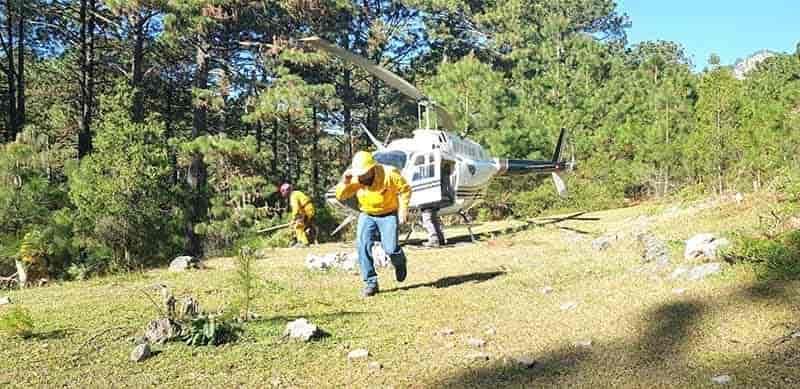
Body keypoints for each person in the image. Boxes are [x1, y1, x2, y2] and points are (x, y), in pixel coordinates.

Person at [336, 151, 411, 297]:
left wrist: (403, 210)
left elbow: (405, 189)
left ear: (372, 168)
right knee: (362, 245)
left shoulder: (389, 174)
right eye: (359, 174)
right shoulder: (355, 178)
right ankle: (371, 283)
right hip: (367, 214)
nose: (361, 177)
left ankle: (400, 262)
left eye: (364, 173)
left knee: (390, 248)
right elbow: (341, 195)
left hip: (388, 214)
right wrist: (344, 182)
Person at [279, 183, 315, 248]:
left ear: (286, 191)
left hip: (306, 211)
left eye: (283, 192)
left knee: (299, 226)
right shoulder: (296, 193)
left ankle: (304, 243)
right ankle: (301, 241)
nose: (283, 194)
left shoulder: (293, 196)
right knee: (301, 226)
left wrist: (293, 219)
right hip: (308, 209)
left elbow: (296, 208)